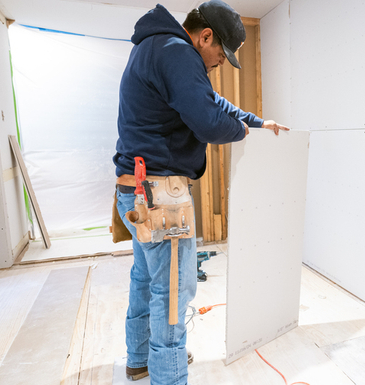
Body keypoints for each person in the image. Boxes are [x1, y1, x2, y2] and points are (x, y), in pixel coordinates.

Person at [110, 1, 289, 384]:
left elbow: (209, 102)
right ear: (204, 36)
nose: (218, 64)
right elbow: (209, 121)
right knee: (173, 293)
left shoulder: (155, 47)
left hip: (137, 191)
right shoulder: (178, 54)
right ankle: (168, 376)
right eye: (220, 55)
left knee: (146, 280)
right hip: (161, 196)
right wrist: (242, 132)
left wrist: (255, 121)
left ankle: (141, 359)